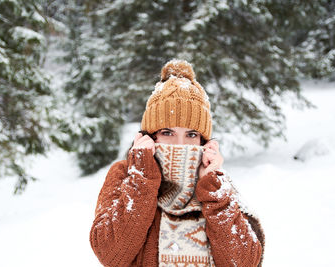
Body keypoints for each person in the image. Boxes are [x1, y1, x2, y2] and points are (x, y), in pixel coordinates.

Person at [89, 59, 265, 267]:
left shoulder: (215, 183)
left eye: (191, 134)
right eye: (167, 132)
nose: (180, 144)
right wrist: (143, 177)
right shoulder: (127, 174)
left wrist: (212, 186)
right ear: (149, 137)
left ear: (203, 141)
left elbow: (244, 263)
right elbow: (110, 254)